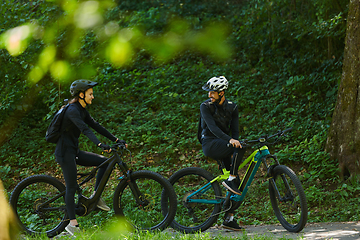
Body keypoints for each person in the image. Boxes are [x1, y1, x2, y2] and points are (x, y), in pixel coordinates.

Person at [54, 79, 126, 236]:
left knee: (104, 162)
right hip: (65, 153)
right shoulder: (72, 110)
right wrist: (100, 145)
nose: (93, 97)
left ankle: (95, 197)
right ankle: (72, 225)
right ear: (81, 95)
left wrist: (115, 140)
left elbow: (96, 126)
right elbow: (85, 130)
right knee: (71, 187)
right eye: (90, 94)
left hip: (75, 152)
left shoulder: (81, 109)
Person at [199, 76, 246, 231]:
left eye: (212, 93)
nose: (209, 95)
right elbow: (212, 128)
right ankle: (231, 178)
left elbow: (235, 131)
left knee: (238, 186)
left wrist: (235, 141)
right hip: (210, 143)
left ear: (222, 93)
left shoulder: (232, 107)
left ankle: (229, 218)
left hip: (224, 143)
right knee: (238, 148)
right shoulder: (205, 106)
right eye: (209, 92)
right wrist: (232, 141)